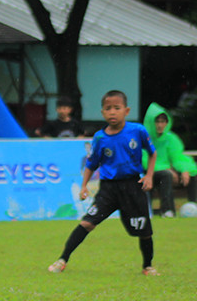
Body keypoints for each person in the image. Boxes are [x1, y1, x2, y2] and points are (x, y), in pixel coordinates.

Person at [48, 90, 158, 275]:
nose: (112, 112)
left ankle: (147, 266)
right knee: (87, 223)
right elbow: (92, 163)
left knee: (144, 230)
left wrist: (149, 176)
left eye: (117, 107)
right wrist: (83, 186)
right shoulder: (100, 137)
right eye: (108, 108)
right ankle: (62, 259)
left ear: (126, 110)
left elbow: (152, 153)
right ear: (102, 113)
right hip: (108, 189)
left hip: (132, 186)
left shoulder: (137, 131)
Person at [143, 102, 197, 217]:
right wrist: (167, 169)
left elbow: (178, 157)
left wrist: (184, 169)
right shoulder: (144, 138)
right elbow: (144, 161)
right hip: (151, 173)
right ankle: (167, 211)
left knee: (192, 173)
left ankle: (193, 207)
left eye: (163, 122)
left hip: (169, 172)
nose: (160, 125)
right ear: (151, 122)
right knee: (166, 175)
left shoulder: (171, 138)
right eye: (157, 121)